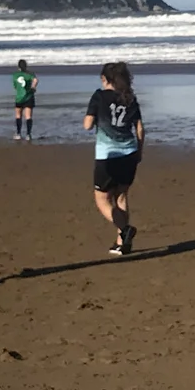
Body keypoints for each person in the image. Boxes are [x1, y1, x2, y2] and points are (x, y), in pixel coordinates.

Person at [84, 62, 144, 256]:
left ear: (105, 79)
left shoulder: (99, 96)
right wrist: (140, 152)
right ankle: (122, 243)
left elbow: (87, 125)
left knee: (102, 199)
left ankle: (125, 230)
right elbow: (140, 128)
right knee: (121, 196)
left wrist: (94, 118)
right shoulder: (129, 98)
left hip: (107, 156)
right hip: (130, 153)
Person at [12, 59, 38, 141]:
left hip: (19, 97)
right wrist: (33, 87)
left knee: (18, 115)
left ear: (18, 67)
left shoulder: (15, 75)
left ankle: (18, 133)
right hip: (28, 96)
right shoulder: (30, 74)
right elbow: (35, 80)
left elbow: (15, 87)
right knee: (28, 116)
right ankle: (28, 134)